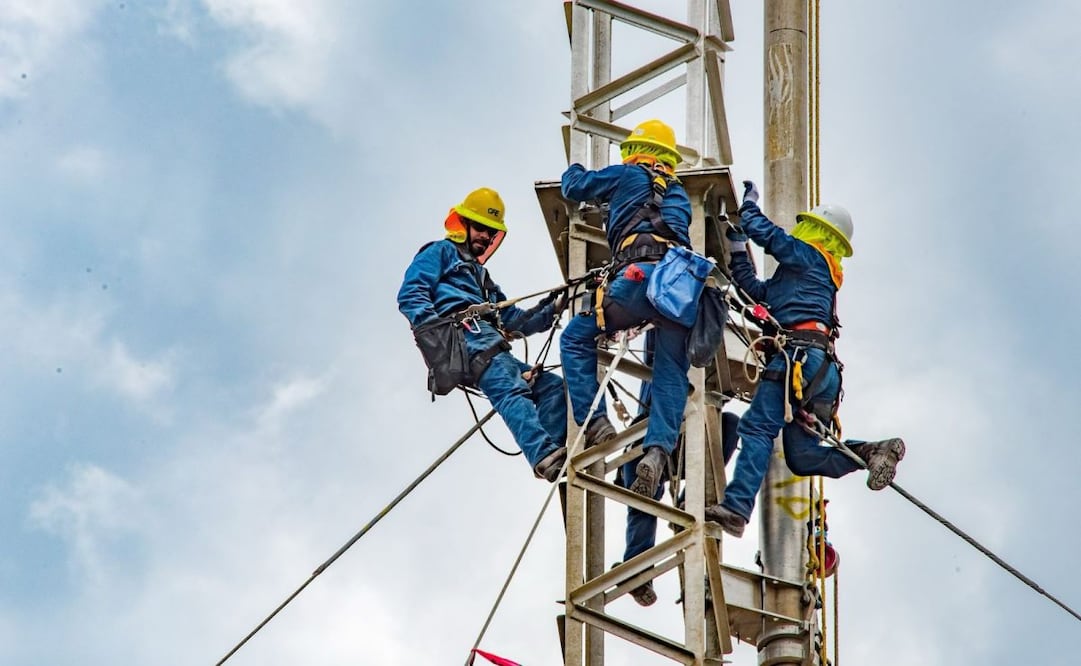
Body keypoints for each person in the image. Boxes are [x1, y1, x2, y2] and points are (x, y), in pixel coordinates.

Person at [704, 181, 906, 538]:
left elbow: (770, 237)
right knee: (801, 456)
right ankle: (872, 451)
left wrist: (748, 209)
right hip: (821, 371)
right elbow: (757, 294)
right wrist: (737, 250)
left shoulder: (810, 256)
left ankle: (736, 508)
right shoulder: (809, 276)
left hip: (800, 360)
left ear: (816, 231)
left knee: (756, 428)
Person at [559, 119, 693, 499]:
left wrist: (574, 167)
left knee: (575, 338)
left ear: (637, 151)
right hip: (677, 287)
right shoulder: (680, 194)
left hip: (636, 277)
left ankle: (597, 422)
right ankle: (656, 451)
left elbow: (575, 188)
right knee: (670, 370)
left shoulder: (629, 175)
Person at [397, 187, 569, 481]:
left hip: (490, 343)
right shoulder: (440, 252)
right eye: (481, 229)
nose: (486, 237)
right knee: (512, 392)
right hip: (469, 340)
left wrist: (552, 307)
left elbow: (514, 320)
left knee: (554, 387)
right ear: (462, 225)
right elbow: (411, 293)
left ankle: (553, 451)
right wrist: (440, 335)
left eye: (491, 233)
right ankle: (542, 454)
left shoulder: (481, 278)